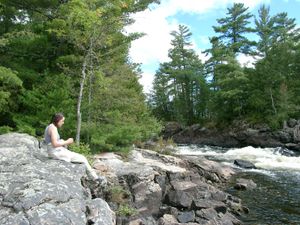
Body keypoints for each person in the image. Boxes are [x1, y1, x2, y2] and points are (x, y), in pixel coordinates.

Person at [44, 113, 106, 185]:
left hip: (53, 151)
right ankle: (95, 178)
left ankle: (94, 177)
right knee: (82, 158)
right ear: (58, 120)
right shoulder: (53, 128)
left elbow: (51, 142)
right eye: (62, 121)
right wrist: (67, 141)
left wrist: (63, 141)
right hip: (55, 152)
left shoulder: (49, 126)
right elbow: (54, 144)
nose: (63, 123)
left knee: (80, 157)